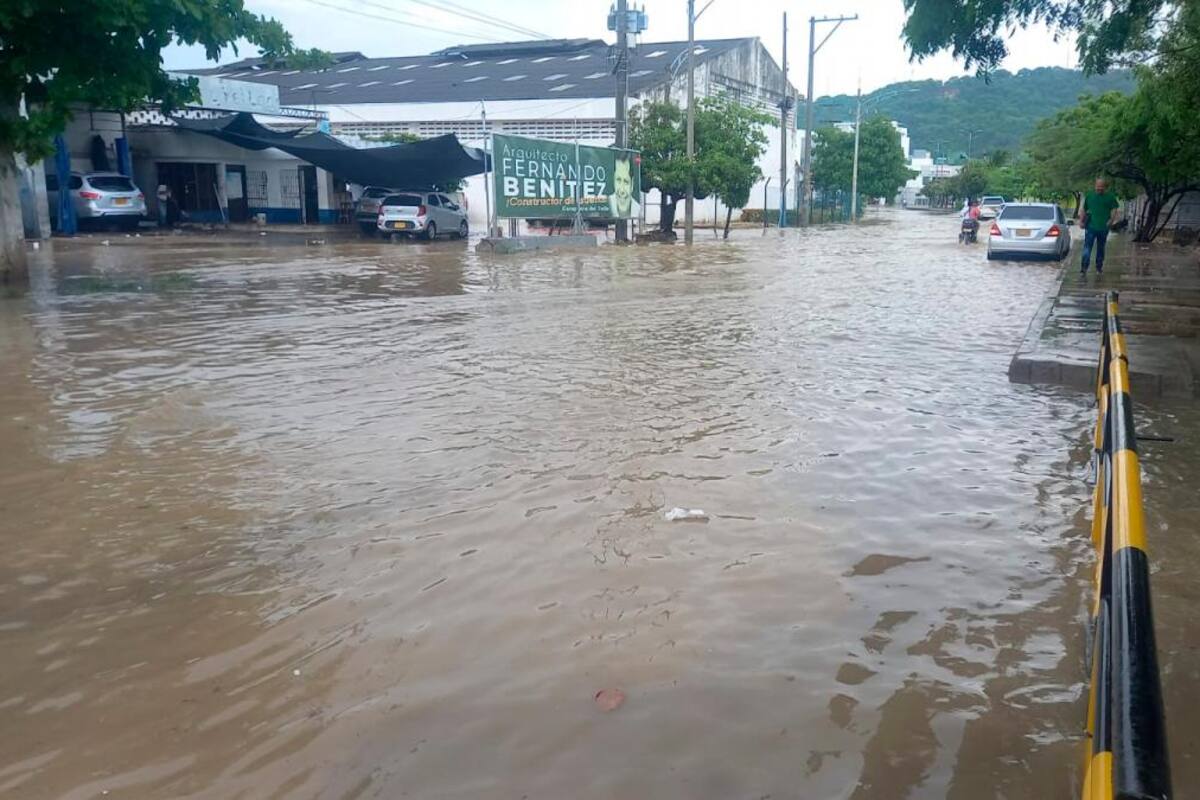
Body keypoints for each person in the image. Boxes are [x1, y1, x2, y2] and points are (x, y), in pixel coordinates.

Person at [1079, 177, 1120, 275]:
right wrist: (1081, 221)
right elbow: (1083, 210)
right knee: (1087, 248)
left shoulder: (1110, 197)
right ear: (1095, 186)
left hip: (1103, 228)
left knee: (1101, 248)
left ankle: (1099, 268)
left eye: (1101, 187)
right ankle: (1084, 268)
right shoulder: (1089, 196)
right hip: (1090, 227)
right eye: (1097, 186)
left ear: (1105, 187)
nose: (1099, 189)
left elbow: (1114, 209)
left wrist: (1111, 220)